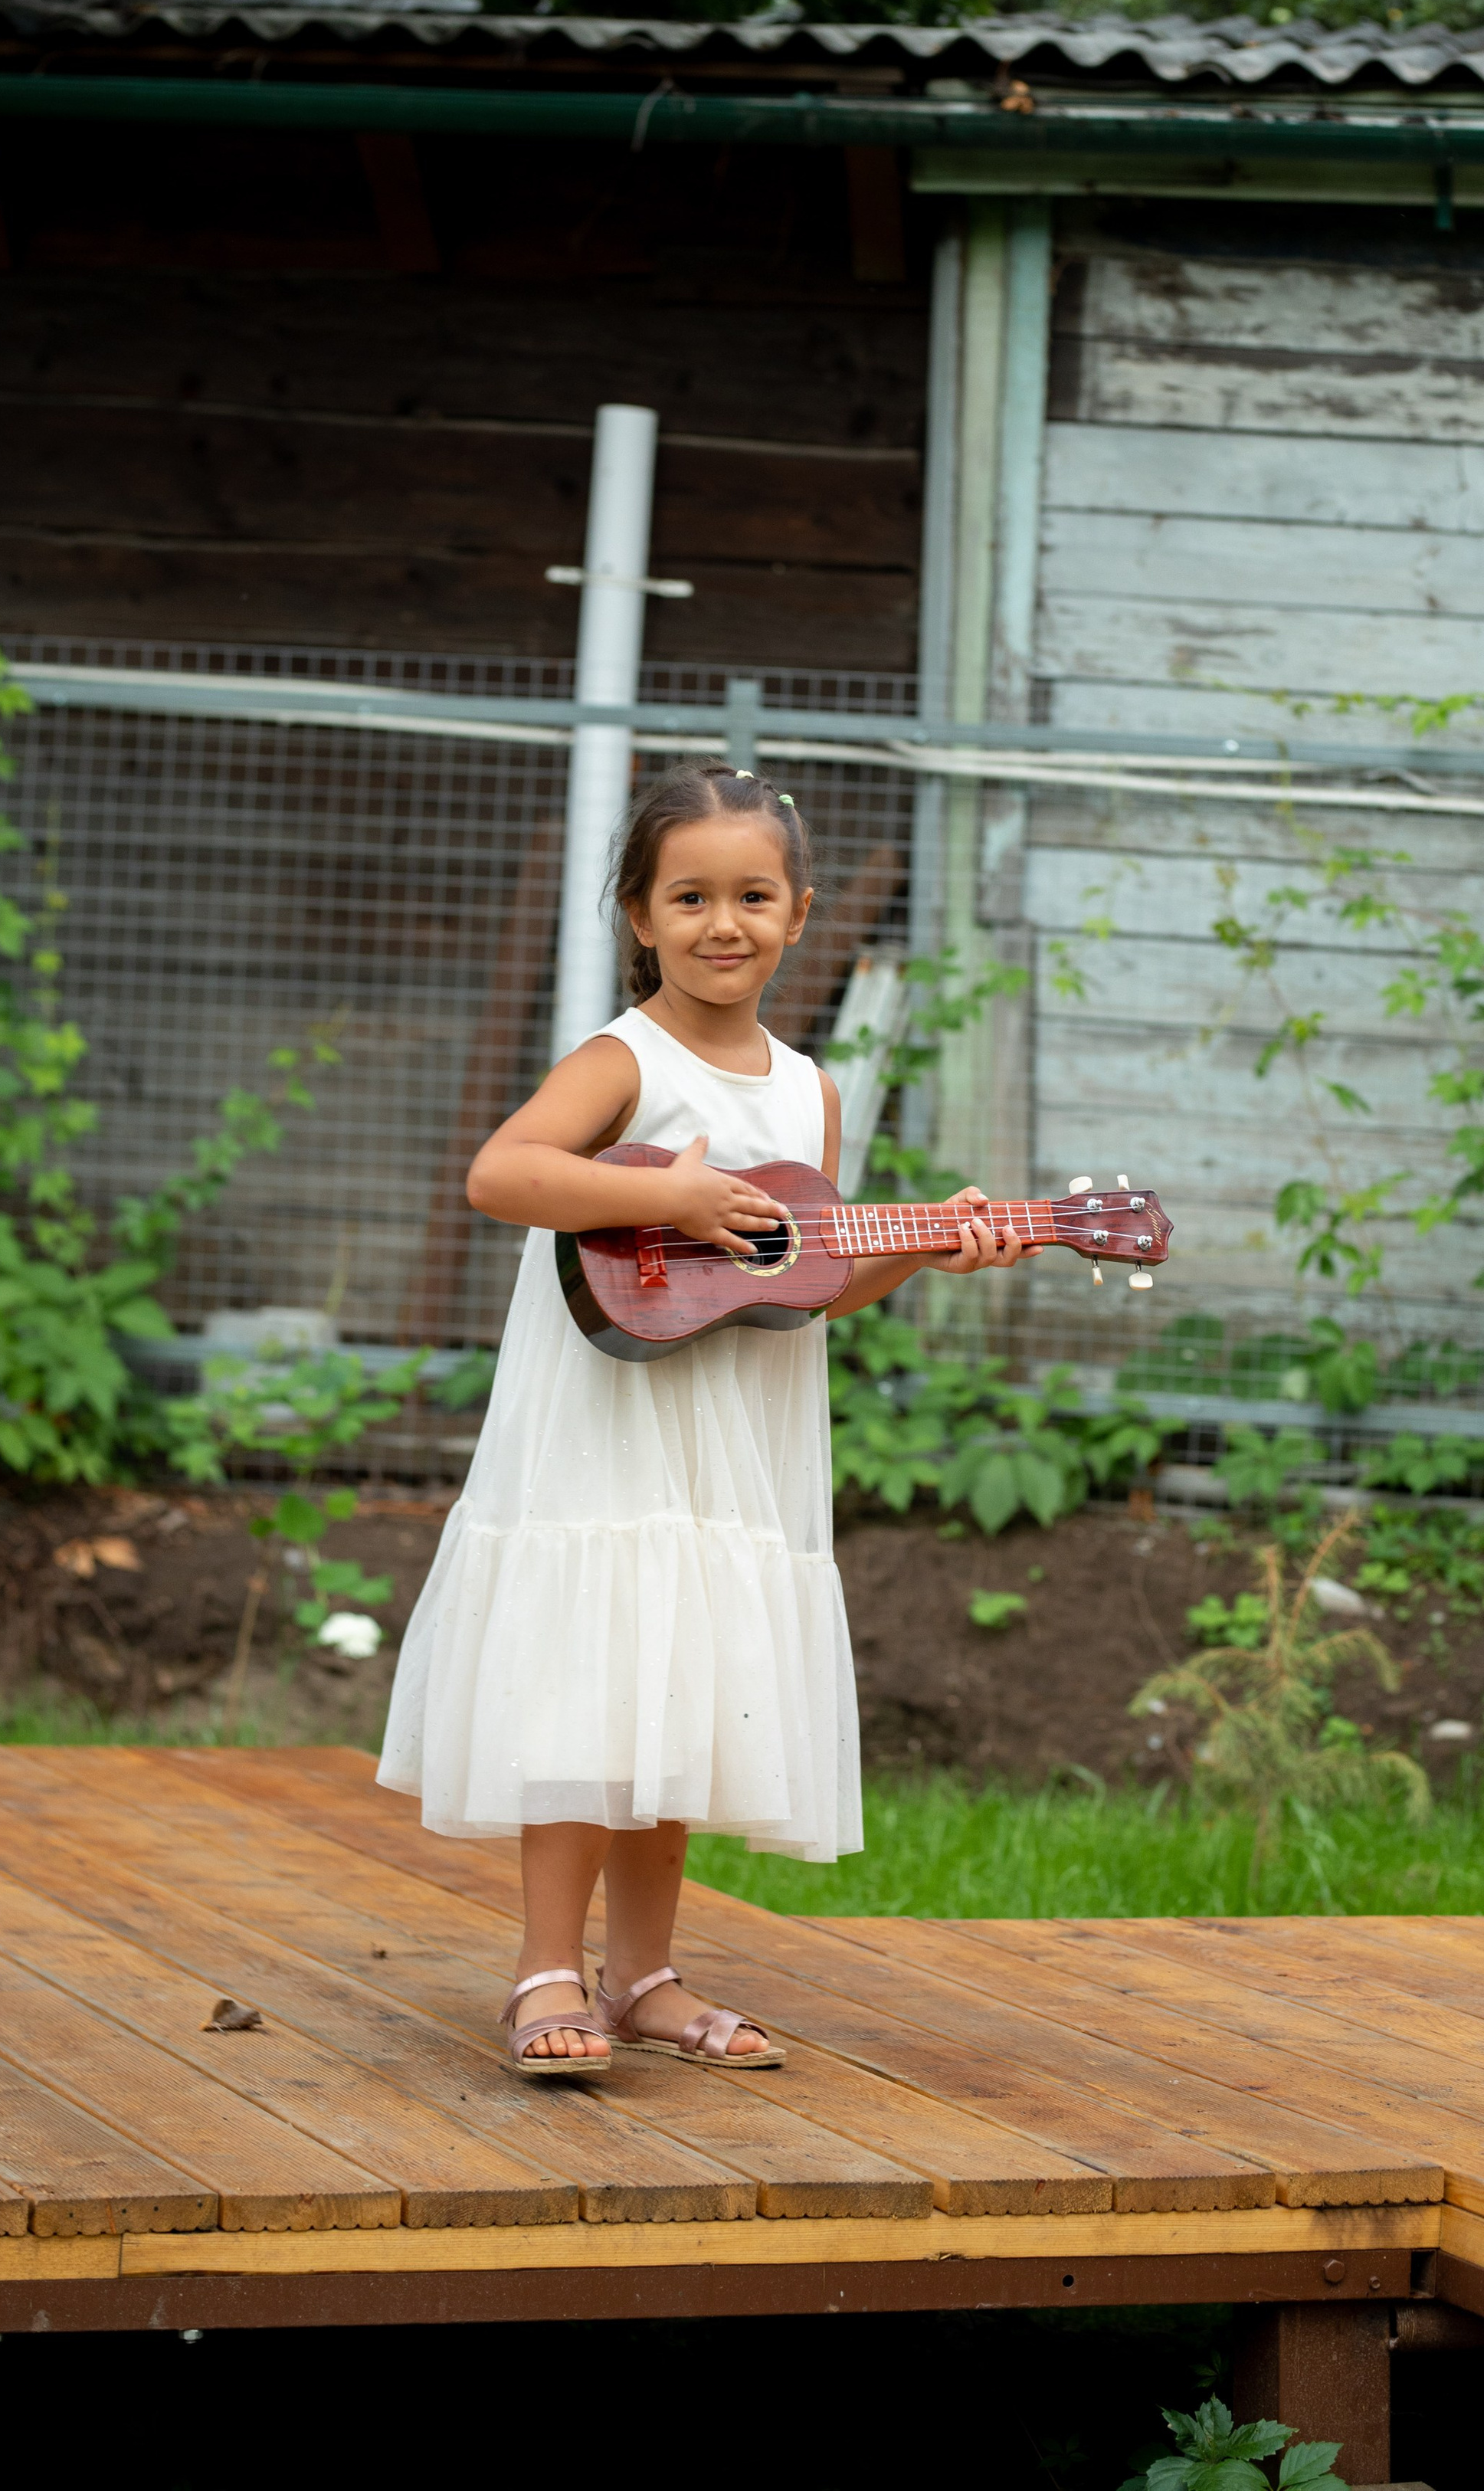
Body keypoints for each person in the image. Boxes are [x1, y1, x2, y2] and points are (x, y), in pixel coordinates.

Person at [378, 762, 1024, 2079]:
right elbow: (503, 1171)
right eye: (689, 896)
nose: (721, 923)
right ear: (638, 914)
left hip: (734, 1430)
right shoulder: (627, 1057)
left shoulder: (812, 1090)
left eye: (752, 897)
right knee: (588, 1684)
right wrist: (668, 1204)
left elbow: (799, 1282)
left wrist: (930, 1248)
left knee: (678, 1685)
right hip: (607, 1427)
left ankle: (646, 1976)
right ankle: (545, 1970)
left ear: (798, 916)